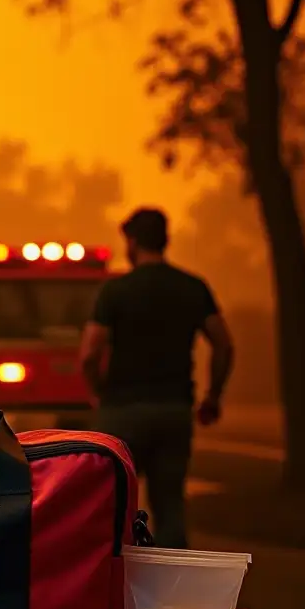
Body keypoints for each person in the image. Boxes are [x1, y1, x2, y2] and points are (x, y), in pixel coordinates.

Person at [79, 207, 234, 548]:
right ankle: (174, 589)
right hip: (173, 409)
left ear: (132, 242)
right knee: (171, 504)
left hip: (122, 411)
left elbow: (90, 353)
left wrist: (98, 393)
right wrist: (213, 397)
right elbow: (223, 344)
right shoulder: (192, 287)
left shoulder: (116, 292)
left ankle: (115, 581)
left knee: (114, 502)